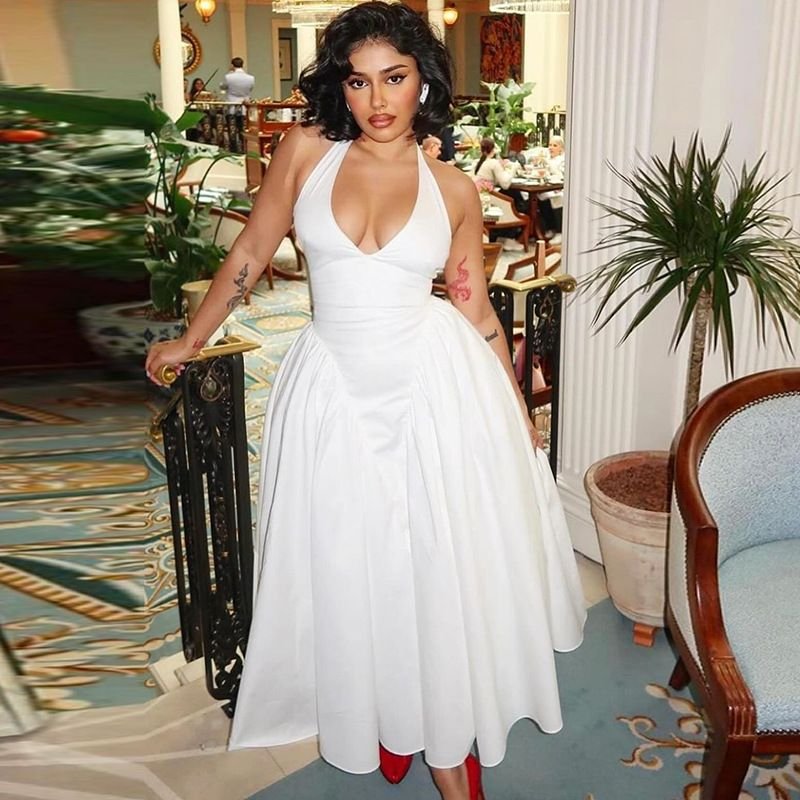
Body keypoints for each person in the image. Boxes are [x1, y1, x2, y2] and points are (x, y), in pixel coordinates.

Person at [145, 4, 585, 799]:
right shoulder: (306, 151)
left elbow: (474, 308)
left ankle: (442, 736)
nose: (378, 100)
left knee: (429, 560)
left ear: (424, 82)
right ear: (338, 87)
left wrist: (516, 408)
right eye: (358, 81)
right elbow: (251, 248)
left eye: (395, 77)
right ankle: (384, 709)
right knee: (349, 560)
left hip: (432, 385)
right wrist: (191, 338)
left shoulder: (452, 187)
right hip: (332, 388)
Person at [539, 135, 565, 242]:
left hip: (561, 188)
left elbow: (562, 176)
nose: (551, 148)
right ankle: (550, 227)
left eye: (555, 145)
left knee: (557, 198)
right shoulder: (548, 158)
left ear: (561, 148)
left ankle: (560, 231)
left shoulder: (563, 160)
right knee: (541, 196)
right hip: (549, 187)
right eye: (550, 145)